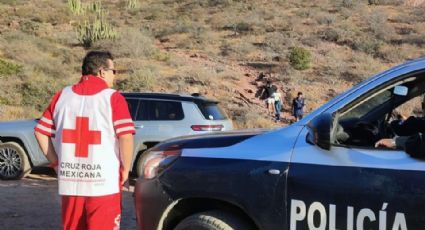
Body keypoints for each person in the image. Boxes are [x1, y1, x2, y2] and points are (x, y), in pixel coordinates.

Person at [34, 51, 135, 230]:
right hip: (104, 184)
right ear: (102, 71)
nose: (114, 76)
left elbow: (41, 132)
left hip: (71, 182)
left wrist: (56, 163)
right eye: (114, 71)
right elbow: (125, 136)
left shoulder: (61, 96)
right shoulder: (113, 98)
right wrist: (126, 169)